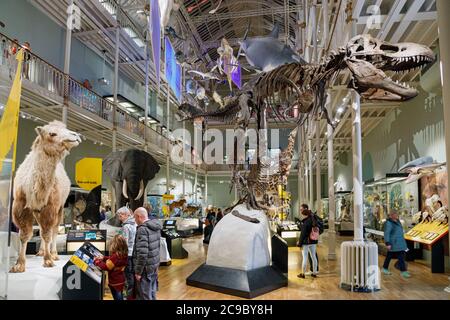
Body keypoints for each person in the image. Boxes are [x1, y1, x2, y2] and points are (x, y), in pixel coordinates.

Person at [133, 207, 162, 300]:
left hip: (145, 268)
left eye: (135, 218)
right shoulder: (156, 226)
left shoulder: (142, 229)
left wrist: (138, 271)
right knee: (152, 292)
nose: (135, 220)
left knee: (145, 294)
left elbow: (142, 253)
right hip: (153, 265)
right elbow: (157, 247)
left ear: (138, 217)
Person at [94, 235, 128, 300]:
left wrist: (97, 261)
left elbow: (106, 267)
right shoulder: (123, 254)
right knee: (120, 295)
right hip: (121, 279)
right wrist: (104, 258)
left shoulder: (115, 256)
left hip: (114, 281)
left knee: (117, 297)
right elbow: (113, 261)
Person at [382, 209, 410, 278]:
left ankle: (385, 268)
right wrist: (387, 243)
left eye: (397, 214)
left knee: (392, 256)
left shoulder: (397, 221)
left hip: (399, 242)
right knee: (399, 256)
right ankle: (403, 271)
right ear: (391, 215)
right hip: (394, 243)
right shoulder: (388, 223)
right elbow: (387, 233)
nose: (397, 215)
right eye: (395, 214)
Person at [117, 206, 136, 299]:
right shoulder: (134, 224)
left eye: (120, 215)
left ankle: (129, 296)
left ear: (125, 215)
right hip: (133, 253)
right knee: (132, 274)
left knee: (128, 276)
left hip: (128, 254)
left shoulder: (126, 226)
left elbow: (125, 242)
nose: (119, 217)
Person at [297, 204, 319, 279]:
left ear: (304, 214)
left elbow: (303, 234)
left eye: (301, 211)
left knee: (305, 257)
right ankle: (314, 272)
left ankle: (303, 274)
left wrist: (299, 244)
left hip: (306, 242)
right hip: (313, 241)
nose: (301, 212)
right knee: (313, 257)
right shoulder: (313, 219)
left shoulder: (306, 222)